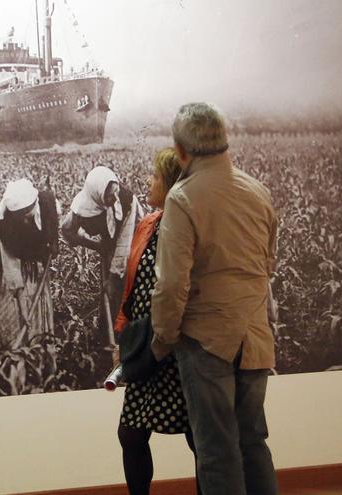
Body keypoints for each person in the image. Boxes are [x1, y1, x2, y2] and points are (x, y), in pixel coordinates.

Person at [151, 102, 278, 495]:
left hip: (207, 344)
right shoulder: (258, 191)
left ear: (182, 151)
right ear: (224, 141)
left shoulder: (183, 198)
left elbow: (171, 284)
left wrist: (163, 338)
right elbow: (267, 265)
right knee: (253, 443)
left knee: (217, 452)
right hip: (255, 340)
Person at [114, 149, 200, 495]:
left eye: (155, 176)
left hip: (183, 346)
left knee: (199, 437)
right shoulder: (149, 224)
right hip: (148, 345)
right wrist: (123, 337)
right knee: (131, 434)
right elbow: (131, 286)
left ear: (172, 183)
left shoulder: (193, 227)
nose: (149, 181)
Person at [61, 165, 143, 347]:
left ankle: (125, 337)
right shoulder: (83, 206)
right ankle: (108, 338)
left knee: (121, 289)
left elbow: (126, 242)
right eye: (109, 195)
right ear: (96, 194)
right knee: (109, 293)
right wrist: (96, 246)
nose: (114, 199)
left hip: (131, 242)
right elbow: (67, 231)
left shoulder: (126, 200)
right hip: (108, 246)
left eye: (116, 193)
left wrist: (114, 274)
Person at [0, 179, 59, 349]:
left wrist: (53, 244)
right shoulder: (4, 227)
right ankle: (14, 352)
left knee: (39, 310)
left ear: (34, 203)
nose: (25, 221)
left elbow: (53, 224)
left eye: (27, 214)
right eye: (20, 217)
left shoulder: (47, 202)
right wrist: (23, 308)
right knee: (15, 314)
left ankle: (40, 349)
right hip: (11, 271)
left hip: (36, 267)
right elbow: (12, 269)